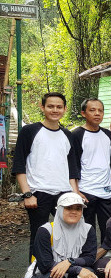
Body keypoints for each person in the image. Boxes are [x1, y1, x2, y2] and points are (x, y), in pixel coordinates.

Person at [13, 92, 80, 259]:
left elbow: (71, 168)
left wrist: (75, 194)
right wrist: (27, 194)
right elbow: (19, 165)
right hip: (38, 192)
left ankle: (64, 271)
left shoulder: (67, 135)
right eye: (50, 106)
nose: (55, 110)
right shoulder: (29, 131)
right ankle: (34, 275)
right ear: (42, 107)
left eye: (59, 107)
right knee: (39, 236)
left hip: (64, 193)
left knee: (67, 235)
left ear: (64, 109)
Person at [28, 192, 98, 278]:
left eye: (78, 208)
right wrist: (77, 269)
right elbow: (45, 265)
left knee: (90, 273)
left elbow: (89, 257)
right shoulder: (45, 230)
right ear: (60, 210)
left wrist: (69, 262)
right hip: (43, 277)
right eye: (68, 208)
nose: (74, 212)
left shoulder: (88, 229)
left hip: (69, 277)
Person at [71, 98, 111, 237]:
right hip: (86, 190)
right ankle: (88, 258)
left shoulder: (107, 134)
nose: (97, 113)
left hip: (107, 191)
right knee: (86, 231)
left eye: (100, 110)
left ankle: (107, 257)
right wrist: (76, 190)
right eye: (92, 110)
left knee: (110, 228)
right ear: (83, 113)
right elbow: (73, 164)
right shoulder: (77, 134)